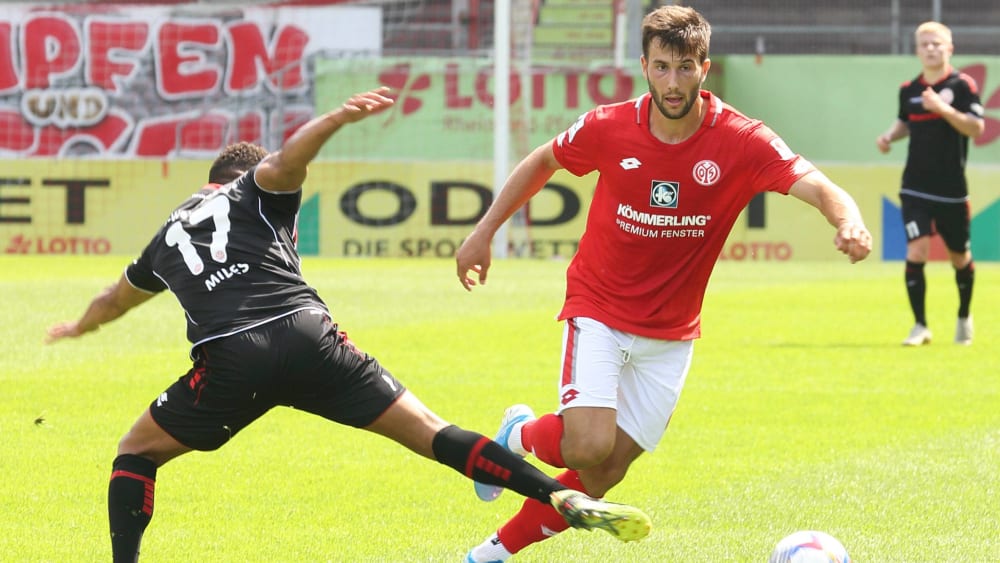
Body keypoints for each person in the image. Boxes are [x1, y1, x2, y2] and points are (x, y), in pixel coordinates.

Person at [44, 87, 653, 563]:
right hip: (311, 336)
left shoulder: (165, 236)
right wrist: (336, 119)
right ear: (243, 175)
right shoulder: (255, 188)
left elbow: (113, 299)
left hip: (231, 359)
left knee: (135, 451)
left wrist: (78, 327)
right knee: (432, 432)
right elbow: (288, 160)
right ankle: (556, 494)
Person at [455, 6, 873, 562]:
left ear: (704, 67)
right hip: (598, 306)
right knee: (587, 442)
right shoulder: (608, 125)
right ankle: (519, 436)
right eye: (660, 68)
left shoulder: (742, 140)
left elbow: (818, 185)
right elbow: (544, 160)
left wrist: (848, 220)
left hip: (671, 333)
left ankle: (486, 555)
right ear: (644, 67)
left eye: (683, 68)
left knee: (602, 473)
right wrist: (484, 232)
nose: (672, 83)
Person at [875, 21, 984, 346]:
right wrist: (889, 136)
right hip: (914, 186)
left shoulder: (963, 86)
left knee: (959, 257)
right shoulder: (909, 89)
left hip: (951, 190)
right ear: (917, 50)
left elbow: (975, 128)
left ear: (949, 48)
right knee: (916, 249)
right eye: (925, 44)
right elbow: (905, 121)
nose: (931, 48)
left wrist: (943, 108)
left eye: (937, 43)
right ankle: (920, 325)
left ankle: (964, 316)